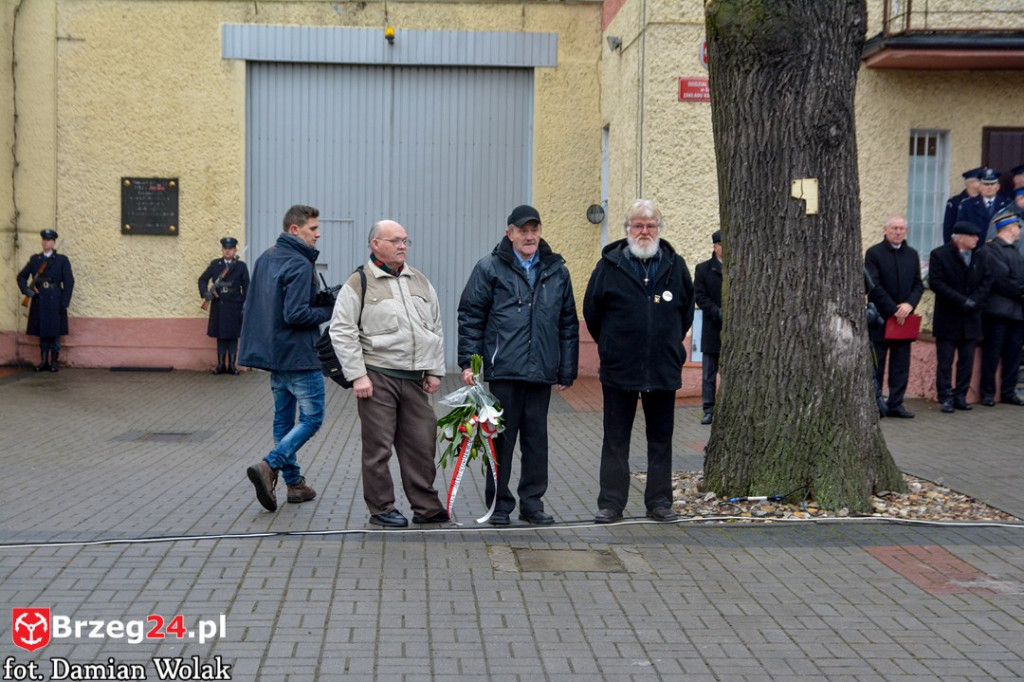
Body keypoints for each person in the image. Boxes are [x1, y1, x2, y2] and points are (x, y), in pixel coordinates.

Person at [456, 204, 579, 526]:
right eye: (523, 230)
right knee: (500, 441)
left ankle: (532, 504)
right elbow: (471, 316)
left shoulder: (557, 270)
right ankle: (499, 505)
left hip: (540, 371)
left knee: (537, 442)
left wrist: (567, 368)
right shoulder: (490, 268)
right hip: (504, 371)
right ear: (509, 233)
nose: (529, 236)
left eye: (534, 230)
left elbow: (567, 323)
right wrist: (469, 363)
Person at [329, 219, 449, 528]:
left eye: (405, 240)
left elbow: (434, 326)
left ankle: (426, 507)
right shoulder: (359, 282)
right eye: (395, 240)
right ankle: (381, 509)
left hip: (415, 379)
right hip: (377, 376)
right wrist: (358, 375)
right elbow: (342, 331)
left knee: (422, 444)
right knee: (378, 449)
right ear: (375, 245)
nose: (402, 246)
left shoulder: (419, 281)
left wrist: (434, 370)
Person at [583, 199, 694, 524]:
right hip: (620, 368)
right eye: (638, 226)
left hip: (662, 367)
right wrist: (613, 345)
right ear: (627, 230)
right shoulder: (609, 267)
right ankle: (611, 504)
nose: (644, 231)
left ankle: (659, 503)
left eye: (650, 226)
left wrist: (667, 340)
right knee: (616, 439)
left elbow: (685, 313)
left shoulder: (676, 266)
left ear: (659, 230)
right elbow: (593, 313)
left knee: (660, 440)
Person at [240, 205, 331, 512]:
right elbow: (295, 314)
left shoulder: (266, 258)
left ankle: (294, 485)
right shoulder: (300, 264)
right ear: (295, 229)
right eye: (313, 229)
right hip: (300, 355)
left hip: (275, 356)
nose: (318, 234)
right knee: (312, 419)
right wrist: (331, 309)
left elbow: (269, 307)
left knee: (283, 421)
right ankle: (270, 465)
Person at [864, 215, 924, 419]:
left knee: (901, 364)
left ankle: (896, 403)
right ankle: (876, 403)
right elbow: (873, 286)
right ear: (885, 230)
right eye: (894, 228)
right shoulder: (874, 253)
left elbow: (918, 284)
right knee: (877, 365)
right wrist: (893, 309)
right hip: (881, 318)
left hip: (904, 319)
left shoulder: (912, 254)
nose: (898, 232)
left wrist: (909, 305)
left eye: (901, 228)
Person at [928, 221, 991, 413]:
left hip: (971, 317)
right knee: (945, 362)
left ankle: (960, 395)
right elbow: (936, 283)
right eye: (972, 237)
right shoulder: (939, 255)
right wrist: (961, 300)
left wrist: (974, 300)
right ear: (960, 238)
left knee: (966, 360)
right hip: (949, 316)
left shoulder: (980, 255)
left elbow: (987, 280)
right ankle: (945, 397)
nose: (977, 239)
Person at [979, 214, 1024, 407]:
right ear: (1009, 228)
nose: (1020, 231)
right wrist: (1021, 292)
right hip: (998, 311)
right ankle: (988, 393)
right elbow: (1002, 280)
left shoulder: (1015, 252)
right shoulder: (991, 250)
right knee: (992, 353)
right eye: (1018, 226)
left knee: (1013, 354)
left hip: (1016, 312)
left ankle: (1008, 391)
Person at [17, 229, 75, 372]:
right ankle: (43, 361)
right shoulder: (35, 259)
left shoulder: (62, 260)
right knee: (43, 330)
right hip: (40, 299)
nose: (46, 242)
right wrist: (27, 290)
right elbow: (21, 277)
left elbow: (69, 282)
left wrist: (64, 302)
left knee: (54, 331)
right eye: (44, 240)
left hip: (55, 298)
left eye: (49, 240)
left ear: (54, 243)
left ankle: (54, 362)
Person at [198, 237, 249, 375]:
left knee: (233, 336)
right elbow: (202, 279)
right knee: (220, 335)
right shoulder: (215, 264)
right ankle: (220, 365)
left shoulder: (241, 266)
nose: (228, 251)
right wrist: (205, 293)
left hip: (234, 305)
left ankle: (232, 366)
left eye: (230, 249)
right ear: (222, 250)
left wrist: (244, 305)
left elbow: (247, 287)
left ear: (235, 250)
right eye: (225, 249)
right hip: (219, 304)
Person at [693, 229, 723, 425]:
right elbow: (700, 297)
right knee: (709, 373)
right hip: (712, 328)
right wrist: (717, 312)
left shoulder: (738, 267)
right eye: (721, 245)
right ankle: (709, 409)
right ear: (714, 246)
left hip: (733, 330)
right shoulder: (703, 269)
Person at [959, 168, 1010, 240]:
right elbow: (961, 229)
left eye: (992, 184)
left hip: (999, 248)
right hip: (976, 248)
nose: (989, 187)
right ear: (980, 186)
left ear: (998, 187)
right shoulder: (967, 205)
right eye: (986, 184)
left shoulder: (1008, 204)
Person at [942, 167, 983, 245]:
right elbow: (948, 228)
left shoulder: (984, 200)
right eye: (980, 181)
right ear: (970, 183)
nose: (984, 184)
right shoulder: (955, 202)